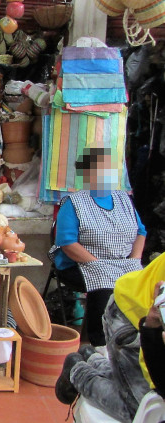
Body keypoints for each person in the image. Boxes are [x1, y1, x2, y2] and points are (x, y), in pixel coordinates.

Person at [49, 147, 146, 346]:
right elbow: (67, 243)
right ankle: (99, 343)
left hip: (122, 261)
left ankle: (133, 339)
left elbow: (140, 232)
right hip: (81, 262)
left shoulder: (123, 199)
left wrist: (134, 260)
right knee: (106, 283)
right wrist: (98, 263)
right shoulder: (74, 202)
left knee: (141, 282)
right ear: (87, 174)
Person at [55, 253, 165, 423]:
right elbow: (154, 369)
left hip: (139, 310)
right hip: (131, 316)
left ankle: (92, 358)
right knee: (137, 407)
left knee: (138, 391)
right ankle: (77, 372)